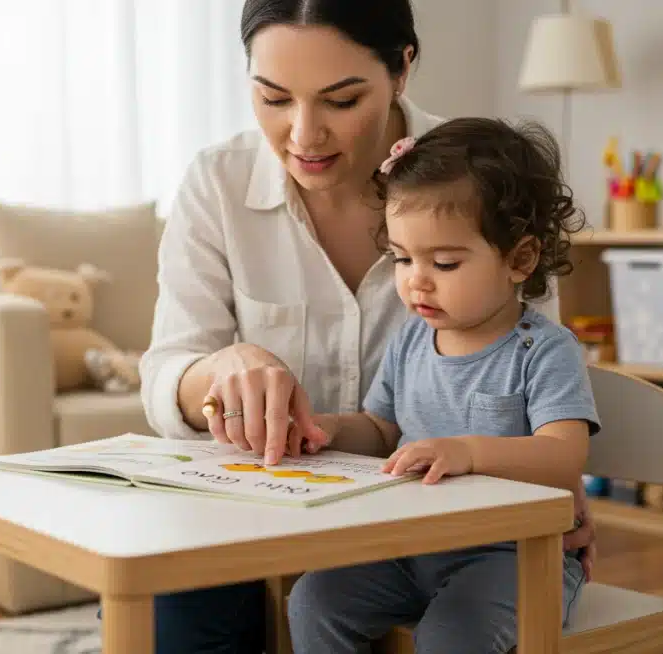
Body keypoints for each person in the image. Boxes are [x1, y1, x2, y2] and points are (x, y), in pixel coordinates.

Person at [138, 1, 597, 651]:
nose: (303, 135)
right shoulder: (218, 182)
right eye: (272, 97)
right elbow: (167, 370)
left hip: (438, 527)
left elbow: (528, 369)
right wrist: (221, 371)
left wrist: (553, 482)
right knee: (182, 614)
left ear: (402, 68)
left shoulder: (482, 181)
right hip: (269, 503)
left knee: (457, 628)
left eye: (341, 101)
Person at [285, 116, 596, 653]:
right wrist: (327, 428)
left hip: (514, 557)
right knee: (314, 597)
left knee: (454, 635)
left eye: (444, 262)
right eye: (402, 258)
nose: (415, 280)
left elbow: (563, 456)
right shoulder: (411, 341)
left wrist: (466, 451)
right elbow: (382, 429)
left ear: (519, 259)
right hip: (411, 546)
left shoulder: (543, 351)